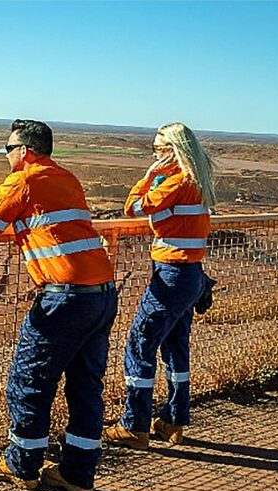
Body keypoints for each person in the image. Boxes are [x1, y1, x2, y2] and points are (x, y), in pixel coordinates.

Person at [0, 119, 118, 491]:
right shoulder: (66, 177)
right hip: (101, 294)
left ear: (26, 151)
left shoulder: (25, 179)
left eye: (8, 149)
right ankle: (78, 475)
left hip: (65, 299)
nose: (6, 156)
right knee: (86, 387)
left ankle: (22, 466)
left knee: (29, 381)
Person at [103, 122, 216, 449]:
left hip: (172, 274)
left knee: (140, 343)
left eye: (159, 149)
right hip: (191, 272)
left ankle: (134, 425)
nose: (155, 154)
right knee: (176, 347)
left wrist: (150, 173)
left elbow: (134, 207)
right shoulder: (199, 181)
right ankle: (173, 420)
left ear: (173, 151)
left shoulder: (176, 182)